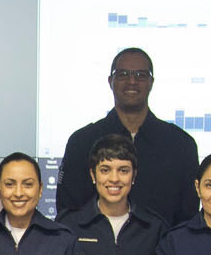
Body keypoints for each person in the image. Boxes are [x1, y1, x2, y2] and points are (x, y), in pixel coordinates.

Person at [55, 46, 199, 224]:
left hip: (164, 242)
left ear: (151, 82)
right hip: (96, 241)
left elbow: (188, 217)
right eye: (123, 74)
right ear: (110, 81)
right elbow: (68, 211)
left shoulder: (180, 144)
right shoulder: (82, 142)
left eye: (140, 75)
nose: (132, 81)